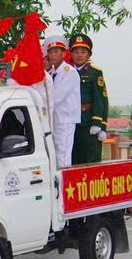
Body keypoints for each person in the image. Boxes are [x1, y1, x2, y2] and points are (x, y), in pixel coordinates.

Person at [43, 36, 81, 168]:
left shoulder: (69, 72)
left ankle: (64, 186)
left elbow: (57, 97)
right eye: (50, 52)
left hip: (65, 119)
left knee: (62, 155)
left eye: (56, 51)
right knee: (53, 154)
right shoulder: (52, 72)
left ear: (64, 53)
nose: (52, 55)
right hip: (54, 118)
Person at [70, 34, 108, 165]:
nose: (79, 55)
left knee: (90, 161)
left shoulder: (94, 72)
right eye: (76, 52)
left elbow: (101, 99)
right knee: (73, 159)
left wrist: (99, 124)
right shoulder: (67, 71)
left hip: (88, 122)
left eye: (83, 52)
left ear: (89, 54)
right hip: (70, 122)